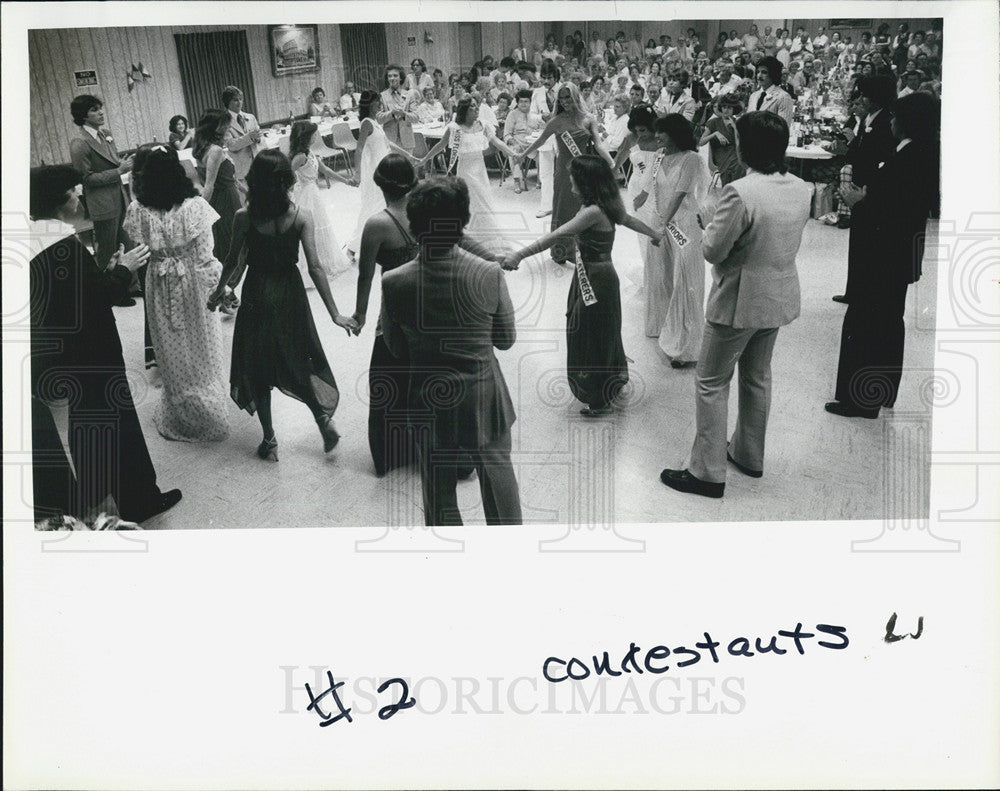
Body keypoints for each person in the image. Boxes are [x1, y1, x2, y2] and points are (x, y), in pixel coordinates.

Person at [660, 111, 812, 498]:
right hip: (778, 293)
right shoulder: (801, 187)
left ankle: (706, 473)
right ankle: (748, 454)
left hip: (738, 298)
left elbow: (713, 250)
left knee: (711, 382)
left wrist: (709, 220)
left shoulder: (741, 192)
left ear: (748, 147)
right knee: (757, 377)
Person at [29, 164, 182, 523]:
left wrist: (103, 273)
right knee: (119, 422)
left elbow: (73, 295)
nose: (79, 195)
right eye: (73, 191)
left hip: (65, 353)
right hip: (91, 351)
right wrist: (123, 270)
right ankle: (141, 500)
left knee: (86, 422)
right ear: (57, 201)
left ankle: (97, 493)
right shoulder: (62, 245)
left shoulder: (37, 239)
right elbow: (95, 300)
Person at [380, 177, 522, 525]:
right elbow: (505, 339)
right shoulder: (488, 273)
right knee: (498, 477)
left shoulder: (394, 281)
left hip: (429, 395)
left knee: (438, 490)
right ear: (463, 224)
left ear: (414, 229)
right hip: (484, 394)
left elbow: (396, 348)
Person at [207, 150, 358, 461]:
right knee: (298, 359)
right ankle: (322, 420)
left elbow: (233, 260)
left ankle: (270, 440)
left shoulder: (244, 217)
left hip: (259, 294)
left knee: (258, 367)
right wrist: (334, 314)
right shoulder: (301, 216)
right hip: (290, 294)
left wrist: (218, 292)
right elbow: (315, 268)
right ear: (288, 182)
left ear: (255, 183)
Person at [502, 156, 660, 415]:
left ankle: (599, 396)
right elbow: (630, 221)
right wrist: (654, 234)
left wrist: (519, 255)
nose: (570, 179)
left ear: (585, 181)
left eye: (573, 176)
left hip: (596, 280)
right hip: (594, 275)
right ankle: (611, 381)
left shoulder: (593, 212)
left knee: (589, 336)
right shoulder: (605, 205)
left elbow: (554, 236)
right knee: (600, 332)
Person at [826, 93, 939, 420]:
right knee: (889, 321)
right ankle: (882, 391)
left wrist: (861, 202)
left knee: (868, 323)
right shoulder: (925, 151)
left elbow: (895, 209)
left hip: (882, 254)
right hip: (899, 255)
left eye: (896, 117)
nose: (890, 121)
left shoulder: (910, 156)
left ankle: (860, 400)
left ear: (908, 121)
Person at [123, 145, 230, 442]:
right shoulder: (195, 208)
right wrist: (221, 289)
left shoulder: (138, 210)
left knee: (170, 351)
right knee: (202, 350)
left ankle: (181, 412)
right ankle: (208, 412)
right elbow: (206, 258)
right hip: (194, 285)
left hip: (158, 284)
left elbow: (141, 249)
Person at [635, 115, 710, 364]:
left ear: (675, 133)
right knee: (659, 274)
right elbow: (649, 188)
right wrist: (639, 207)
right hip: (661, 221)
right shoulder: (658, 157)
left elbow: (680, 195)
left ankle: (685, 345)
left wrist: (662, 225)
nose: (657, 137)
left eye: (662, 133)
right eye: (657, 132)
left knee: (685, 279)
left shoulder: (692, 159)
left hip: (683, 226)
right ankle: (662, 327)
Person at [519, 83, 614, 266]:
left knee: (583, 211)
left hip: (583, 171)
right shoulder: (556, 121)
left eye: (568, 97)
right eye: (561, 98)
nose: (564, 101)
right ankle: (562, 250)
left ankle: (580, 248)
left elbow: (599, 144)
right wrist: (522, 156)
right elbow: (540, 141)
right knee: (563, 210)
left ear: (576, 97)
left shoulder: (589, 119)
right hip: (564, 172)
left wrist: (611, 162)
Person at [419, 96, 521, 249]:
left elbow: (497, 142)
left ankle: (488, 240)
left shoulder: (483, 125)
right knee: (470, 202)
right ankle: (469, 239)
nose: (477, 108)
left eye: (476, 105)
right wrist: (424, 159)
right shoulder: (455, 128)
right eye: (473, 106)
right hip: (465, 171)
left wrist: (513, 154)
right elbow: (441, 145)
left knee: (484, 202)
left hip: (480, 170)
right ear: (465, 110)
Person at [833, 74, 897, 303]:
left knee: (867, 242)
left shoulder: (885, 120)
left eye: (864, 94)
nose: (860, 98)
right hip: (860, 185)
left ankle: (862, 291)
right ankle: (854, 290)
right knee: (857, 241)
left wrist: (850, 146)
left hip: (871, 189)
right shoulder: (868, 118)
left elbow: (876, 156)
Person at [348, 90, 419, 256]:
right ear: (369, 104)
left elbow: (388, 143)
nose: (380, 104)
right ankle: (353, 246)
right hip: (374, 171)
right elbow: (358, 149)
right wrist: (357, 173)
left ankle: (387, 241)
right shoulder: (366, 123)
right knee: (371, 206)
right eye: (377, 102)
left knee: (385, 205)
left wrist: (408, 154)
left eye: (380, 101)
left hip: (385, 168)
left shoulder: (375, 122)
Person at [68, 94, 134, 271]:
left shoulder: (106, 135)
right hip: (102, 202)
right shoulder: (79, 143)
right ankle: (110, 290)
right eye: (94, 110)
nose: (101, 113)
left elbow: (112, 161)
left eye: (100, 108)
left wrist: (124, 163)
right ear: (83, 116)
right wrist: (119, 171)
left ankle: (130, 285)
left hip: (120, 197)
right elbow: (86, 179)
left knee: (126, 242)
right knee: (107, 248)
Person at [288, 121, 355, 283]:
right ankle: (313, 266)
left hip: (314, 194)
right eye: (314, 134)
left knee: (320, 227)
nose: (316, 136)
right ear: (306, 137)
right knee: (312, 229)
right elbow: (287, 175)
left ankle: (323, 263)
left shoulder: (310, 153)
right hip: (306, 196)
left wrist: (346, 181)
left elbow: (326, 170)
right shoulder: (300, 157)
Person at [610, 105, 660, 293]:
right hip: (636, 187)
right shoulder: (630, 138)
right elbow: (619, 161)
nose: (641, 134)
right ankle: (649, 270)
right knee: (642, 232)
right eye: (637, 130)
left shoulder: (662, 139)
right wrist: (610, 175)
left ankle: (660, 268)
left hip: (657, 189)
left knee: (657, 227)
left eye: (644, 130)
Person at [221, 85, 261, 197]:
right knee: (246, 203)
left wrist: (258, 139)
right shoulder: (224, 121)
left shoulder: (250, 117)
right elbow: (231, 145)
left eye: (240, 99)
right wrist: (249, 137)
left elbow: (259, 139)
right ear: (228, 102)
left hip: (256, 166)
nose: (239, 102)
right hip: (241, 170)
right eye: (235, 100)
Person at [700, 93, 745, 185]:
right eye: (724, 107)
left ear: (734, 109)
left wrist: (735, 128)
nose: (725, 110)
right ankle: (732, 189)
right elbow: (701, 142)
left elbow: (738, 145)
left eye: (729, 108)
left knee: (743, 163)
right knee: (739, 165)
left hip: (735, 153)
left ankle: (735, 190)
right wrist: (715, 134)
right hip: (720, 154)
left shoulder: (737, 123)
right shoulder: (713, 122)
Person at [504, 89, 543, 193]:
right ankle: (517, 181)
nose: (523, 104)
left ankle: (540, 180)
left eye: (526, 101)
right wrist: (513, 142)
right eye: (521, 101)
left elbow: (542, 129)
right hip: (518, 143)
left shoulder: (535, 114)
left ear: (531, 102)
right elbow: (507, 134)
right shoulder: (512, 114)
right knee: (514, 152)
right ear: (517, 102)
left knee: (543, 152)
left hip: (533, 145)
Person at [379, 65, 420, 153]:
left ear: (401, 78)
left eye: (395, 75)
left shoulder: (409, 95)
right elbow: (379, 119)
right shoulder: (382, 96)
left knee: (407, 166)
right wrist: (392, 113)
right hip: (389, 142)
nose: (392, 78)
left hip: (407, 142)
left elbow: (416, 117)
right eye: (389, 76)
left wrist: (404, 114)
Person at [746, 56, 795, 126]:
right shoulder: (753, 96)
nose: (759, 76)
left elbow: (783, 130)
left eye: (764, 72)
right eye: (758, 72)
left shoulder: (783, 97)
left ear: (773, 74)